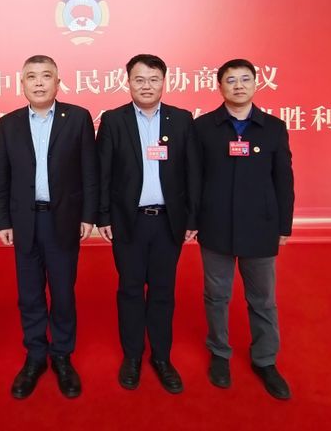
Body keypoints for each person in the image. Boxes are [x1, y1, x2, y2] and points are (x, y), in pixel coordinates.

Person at [0, 55, 98, 399]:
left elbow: (90, 172)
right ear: (21, 83)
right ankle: (35, 355)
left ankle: (62, 355)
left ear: (58, 82)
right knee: (30, 294)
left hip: (63, 219)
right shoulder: (8, 124)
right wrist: (2, 221)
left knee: (63, 293)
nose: (39, 82)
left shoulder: (78, 118)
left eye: (46, 76)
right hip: (24, 221)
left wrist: (88, 216)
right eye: (32, 77)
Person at [191, 58, 295, 400]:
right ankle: (219, 353)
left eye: (245, 79)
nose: (238, 85)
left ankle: (265, 359)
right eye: (231, 80)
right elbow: (194, 178)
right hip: (215, 225)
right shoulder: (203, 127)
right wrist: (193, 220)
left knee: (262, 299)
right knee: (217, 296)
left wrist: (283, 224)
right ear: (219, 86)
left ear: (255, 84)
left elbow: (283, 180)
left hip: (261, 226)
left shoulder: (274, 127)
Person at [96, 54, 197, 394]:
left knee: (163, 291)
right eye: (139, 80)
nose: (147, 86)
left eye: (154, 79)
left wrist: (191, 217)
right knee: (130, 290)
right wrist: (103, 216)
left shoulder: (181, 120)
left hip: (168, 222)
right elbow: (102, 172)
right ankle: (133, 357)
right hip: (129, 222)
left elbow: (193, 173)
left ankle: (162, 358)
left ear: (164, 81)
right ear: (128, 82)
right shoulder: (114, 120)